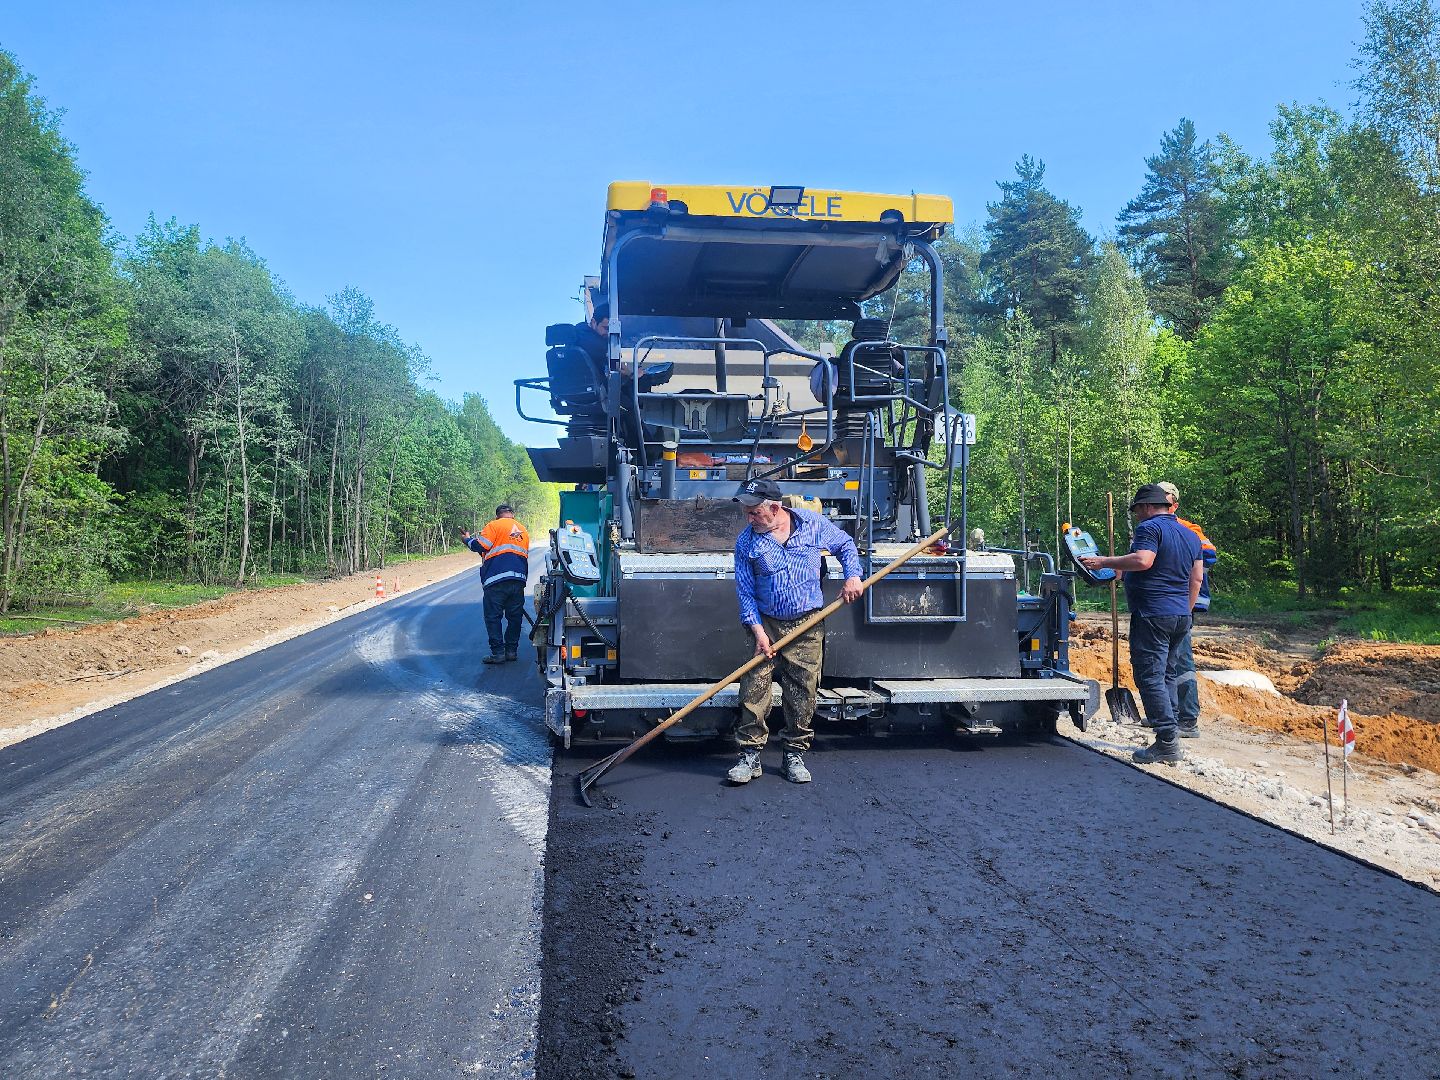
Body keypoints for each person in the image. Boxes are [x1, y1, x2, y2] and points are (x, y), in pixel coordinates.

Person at [728, 477, 863, 785]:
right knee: (754, 689)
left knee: (803, 691)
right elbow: (745, 592)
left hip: (808, 624)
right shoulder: (747, 542)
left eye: (753, 512)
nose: (748, 518)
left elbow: (844, 544)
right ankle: (750, 756)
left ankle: (794, 754)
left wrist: (853, 576)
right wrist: (759, 632)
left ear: (775, 507)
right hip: (766, 624)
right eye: (746, 512)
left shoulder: (813, 525)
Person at [1079, 483, 1203, 765]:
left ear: (1147, 507)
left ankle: (1167, 742)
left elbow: (1144, 561)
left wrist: (1102, 562)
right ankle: (1170, 727)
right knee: (1167, 673)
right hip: (1180, 616)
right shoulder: (1190, 535)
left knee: (1149, 677)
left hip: (1153, 614)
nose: (1136, 515)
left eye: (1137, 510)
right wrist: (1185, 610)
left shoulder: (1150, 528)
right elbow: (1196, 579)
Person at [1156, 481, 1217, 739]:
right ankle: (1166, 713)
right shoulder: (1151, 527)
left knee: (1181, 660)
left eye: (1164, 501)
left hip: (1181, 605)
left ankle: (1188, 718)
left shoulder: (1188, 529)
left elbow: (1209, 553)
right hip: (1162, 605)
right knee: (1163, 662)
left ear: (1174, 504)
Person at [461, 504, 531, 664]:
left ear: (497, 515)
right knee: (515, 617)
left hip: (496, 579)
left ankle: (498, 653)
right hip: (518, 579)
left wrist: (467, 540)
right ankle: (512, 651)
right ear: (512, 514)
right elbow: (501, 551)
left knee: (493, 617)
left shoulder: (493, 525)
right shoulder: (523, 530)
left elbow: (482, 546)